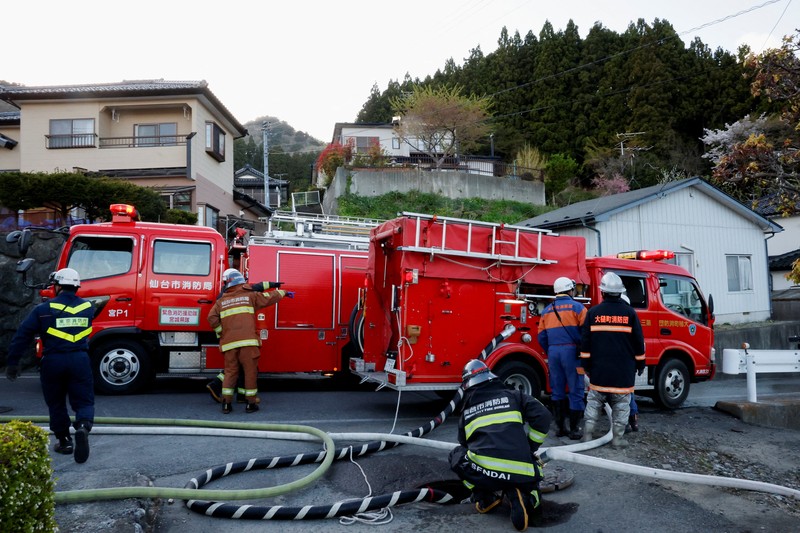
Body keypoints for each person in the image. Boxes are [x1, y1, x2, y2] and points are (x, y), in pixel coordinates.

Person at [449, 360, 552, 532]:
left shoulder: (466, 413)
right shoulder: (514, 396)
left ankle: (485, 497)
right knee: (529, 482)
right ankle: (525, 498)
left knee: (456, 456)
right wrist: (531, 446)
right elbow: (544, 417)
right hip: (523, 470)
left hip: (486, 473)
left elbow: (464, 444)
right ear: (490, 378)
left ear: (468, 385)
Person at [5, 268, 95, 463]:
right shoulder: (89, 307)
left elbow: (22, 336)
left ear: (58, 286)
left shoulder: (42, 310)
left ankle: (64, 442)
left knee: (56, 403)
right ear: (76, 287)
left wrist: (12, 363)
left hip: (53, 361)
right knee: (84, 401)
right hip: (79, 359)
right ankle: (83, 427)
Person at [207, 269, 293, 414]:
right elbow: (268, 297)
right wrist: (283, 293)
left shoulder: (221, 301)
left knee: (230, 372)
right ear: (240, 281)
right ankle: (250, 404)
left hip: (229, 343)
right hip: (248, 342)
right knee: (250, 372)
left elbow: (211, 319)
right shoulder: (250, 295)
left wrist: (221, 331)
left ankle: (226, 404)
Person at [579, 272, 645, 448]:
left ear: (603, 292)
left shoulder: (593, 313)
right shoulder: (630, 313)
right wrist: (640, 364)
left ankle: (587, 435)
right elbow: (639, 342)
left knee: (593, 402)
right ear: (620, 293)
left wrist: (586, 366)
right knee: (622, 406)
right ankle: (617, 439)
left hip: (599, 371)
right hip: (623, 372)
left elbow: (585, 343)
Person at [537, 277, 587, 440]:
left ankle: (560, 428)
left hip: (553, 353)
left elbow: (541, 336)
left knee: (557, 390)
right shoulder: (579, 308)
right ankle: (574, 429)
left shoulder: (547, 310)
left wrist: (550, 349)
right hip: (572, 353)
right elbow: (587, 334)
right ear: (570, 290)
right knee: (576, 390)